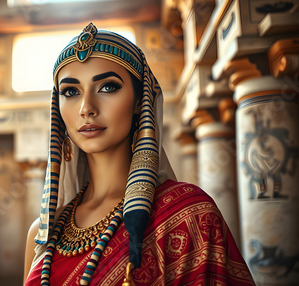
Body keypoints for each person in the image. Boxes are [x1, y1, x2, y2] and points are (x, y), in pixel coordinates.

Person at [23, 23, 255, 286]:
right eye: (71, 91)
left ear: (138, 102)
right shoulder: (43, 234)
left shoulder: (190, 214)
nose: (86, 107)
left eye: (108, 87)